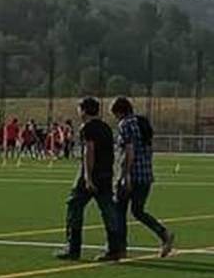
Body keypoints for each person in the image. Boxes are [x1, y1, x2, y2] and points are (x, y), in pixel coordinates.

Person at [56, 97, 123, 261]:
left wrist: (87, 177)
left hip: (92, 174)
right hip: (106, 173)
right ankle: (114, 248)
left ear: (84, 110)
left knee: (74, 206)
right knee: (108, 210)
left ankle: (73, 247)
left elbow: (89, 151)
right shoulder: (106, 127)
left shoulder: (87, 128)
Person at [111, 97, 175, 256]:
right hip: (146, 174)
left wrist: (125, 175)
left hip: (132, 174)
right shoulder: (142, 123)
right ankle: (163, 233)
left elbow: (129, 150)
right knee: (138, 211)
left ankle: (120, 247)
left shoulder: (125, 124)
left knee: (119, 210)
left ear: (120, 111)